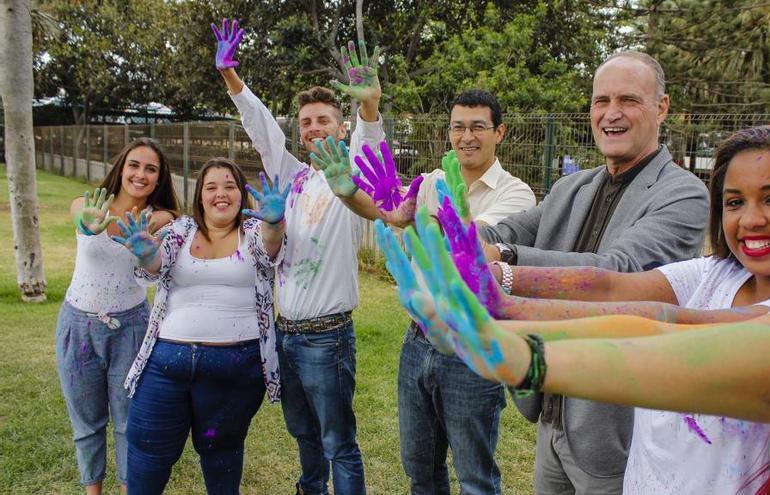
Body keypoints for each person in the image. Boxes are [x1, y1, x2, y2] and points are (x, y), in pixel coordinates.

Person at [401, 118, 770, 493]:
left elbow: (674, 327)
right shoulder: (717, 272)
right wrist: (501, 290)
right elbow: (609, 287)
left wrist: (525, 350)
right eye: (734, 202)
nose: (751, 219)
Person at [478, 51, 709, 494]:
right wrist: (438, 225)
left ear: (661, 108)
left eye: (628, 100)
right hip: (554, 408)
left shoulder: (683, 193)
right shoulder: (573, 187)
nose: (611, 114)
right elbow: (505, 230)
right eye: (601, 101)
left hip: (613, 426)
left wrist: (502, 260)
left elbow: (616, 269)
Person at [314, 85, 537, 492]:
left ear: (499, 132)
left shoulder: (517, 194)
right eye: (457, 127)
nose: (466, 136)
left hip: (474, 340)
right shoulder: (432, 180)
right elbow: (388, 209)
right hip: (418, 339)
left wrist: (411, 219)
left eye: (478, 127)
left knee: (475, 476)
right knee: (420, 468)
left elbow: (471, 249)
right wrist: (348, 192)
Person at [213, 18, 381, 494]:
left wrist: (369, 103)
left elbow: (370, 138)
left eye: (323, 120)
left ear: (340, 125)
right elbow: (263, 128)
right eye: (305, 122)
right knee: (303, 434)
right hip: (285, 337)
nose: (312, 129)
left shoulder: (353, 174)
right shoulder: (294, 176)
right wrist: (231, 77)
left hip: (328, 340)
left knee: (337, 441)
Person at [117, 158, 287, 494]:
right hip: (165, 364)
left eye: (229, 186)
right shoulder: (179, 231)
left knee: (221, 454)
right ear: (199, 196)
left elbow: (270, 251)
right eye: (211, 187)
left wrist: (276, 223)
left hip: (236, 371)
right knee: (147, 453)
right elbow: (153, 267)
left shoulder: (253, 231)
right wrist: (144, 254)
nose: (220, 194)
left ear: (242, 195)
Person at [55, 137, 179, 495]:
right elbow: (79, 215)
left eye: (150, 169)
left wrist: (163, 217)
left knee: (129, 421)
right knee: (87, 422)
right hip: (77, 325)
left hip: (132, 327)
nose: (140, 174)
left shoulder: (159, 221)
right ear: (121, 168)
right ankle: (92, 490)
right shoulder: (88, 203)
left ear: (159, 178)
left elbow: (168, 235)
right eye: (134, 165)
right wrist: (87, 222)